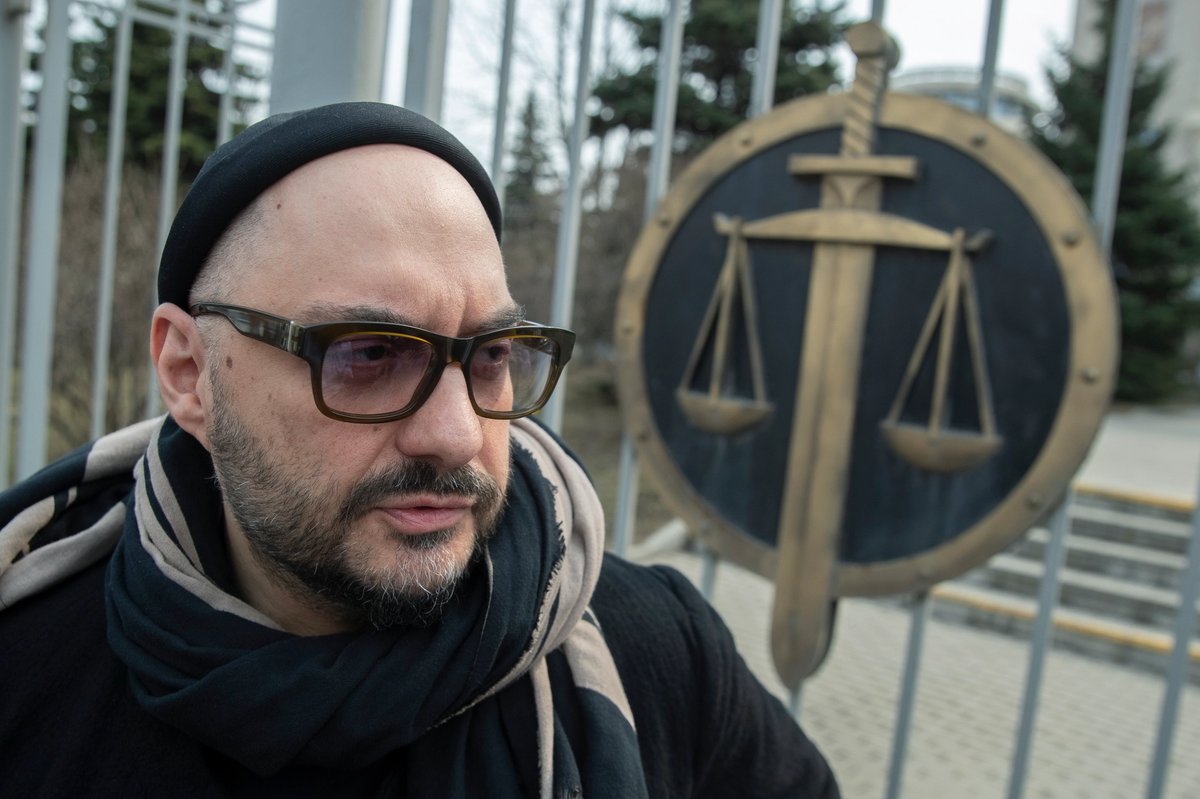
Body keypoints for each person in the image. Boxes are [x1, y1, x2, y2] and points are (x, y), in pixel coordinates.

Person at [0, 102, 839, 798]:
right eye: (367, 354)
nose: (455, 434)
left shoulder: (652, 650)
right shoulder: (32, 660)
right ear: (189, 373)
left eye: (492, 354)